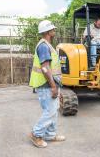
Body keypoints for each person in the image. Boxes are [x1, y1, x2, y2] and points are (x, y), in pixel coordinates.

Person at [29, 20, 65, 148]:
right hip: (46, 85)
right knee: (49, 111)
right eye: (52, 29)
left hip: (49, 84)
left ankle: (50, 135)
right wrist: (53, 86)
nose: (54, 30)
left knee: (53, 111)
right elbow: (45, 68)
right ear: (48, 32)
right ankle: (36, 134)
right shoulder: (43, 46)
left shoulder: (47, 45)